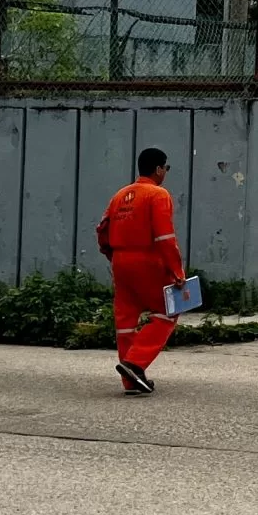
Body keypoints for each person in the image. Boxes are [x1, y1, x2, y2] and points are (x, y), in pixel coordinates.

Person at [95, 146, 185, 394]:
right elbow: (165, 237)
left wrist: (112, 256)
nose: (165, 172)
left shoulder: (119, 195)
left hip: (121, 261)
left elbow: (102, 230)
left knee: (125, 320)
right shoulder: (157, 194)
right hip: (148, 261)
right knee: (168, 311)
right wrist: (177, 271)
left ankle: (131, 381)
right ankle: (135, 362)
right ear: (158, 169)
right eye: (165, 168)